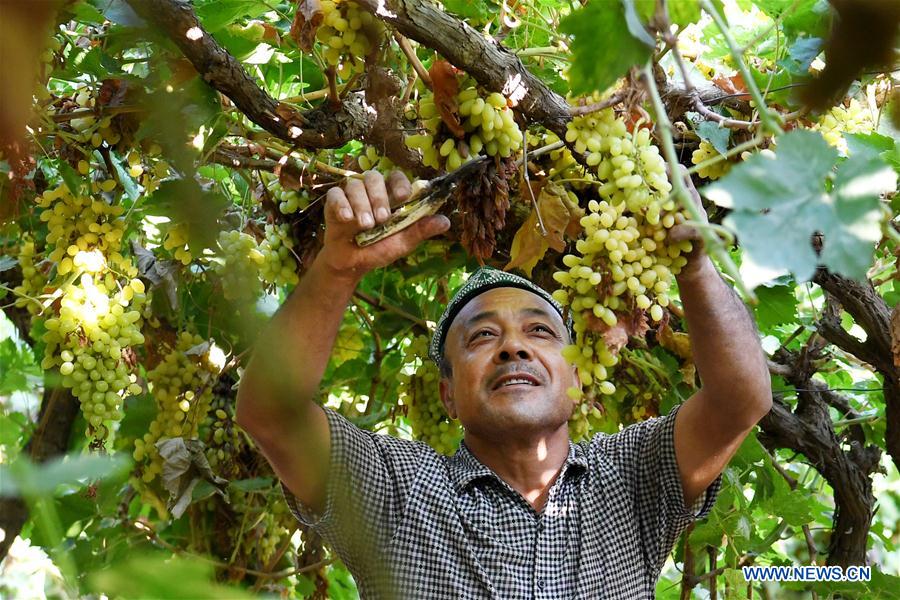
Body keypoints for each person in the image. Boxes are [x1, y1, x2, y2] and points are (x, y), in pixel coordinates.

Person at [236, 170, 772, 598]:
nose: (513, 347)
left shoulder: (632, 478)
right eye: (482, 337)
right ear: (447, 394)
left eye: (539, 331)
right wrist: (335, 271)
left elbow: (740, 400)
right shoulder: (393, 491)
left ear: (579, 378)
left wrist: (696, 267)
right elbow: (272, 414)